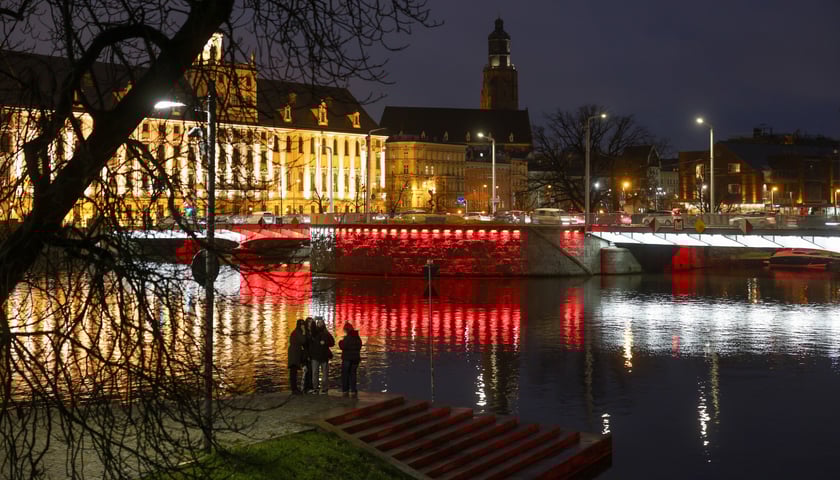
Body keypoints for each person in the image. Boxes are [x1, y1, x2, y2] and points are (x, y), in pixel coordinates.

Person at [309, 317, 335, 394]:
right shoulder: (315, 332)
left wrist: (325, 343)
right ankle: (316, 388)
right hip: (316, 356)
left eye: (321, 322)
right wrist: (314, 320)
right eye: (318, 322)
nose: (320, 324)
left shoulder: (326, 333)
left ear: (323, 324)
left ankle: (324, 388)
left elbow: (332, 343)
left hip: (323, 356)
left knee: (323, 374)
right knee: (316, 373)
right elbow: (312, 328)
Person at [339, 323, 363, 397]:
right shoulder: (357, 337)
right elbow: (360, 346)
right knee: (353, 374)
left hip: (347, 358)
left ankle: (345, 390)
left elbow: (343, 346)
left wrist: (340, 342)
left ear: (346, 330)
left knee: (345, 374)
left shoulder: (347, 338)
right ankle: (353, 390)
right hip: (355, 358)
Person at [287, 319, 305, 394]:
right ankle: (294, 389)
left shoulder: (295, 332)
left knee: (293, 372)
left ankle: (294, 388)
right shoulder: (298, 332)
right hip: (294, 353)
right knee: (293, 372)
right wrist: (304, 332)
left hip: (293, 353)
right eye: (302, 325)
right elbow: (303, 340)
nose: (303, 326)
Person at [302, 317, 315, 393]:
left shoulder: (312, 332)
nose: (310, 324)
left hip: (312, 353)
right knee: (308, 370)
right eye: (309, 322)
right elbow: (304, 343)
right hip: (307, 353)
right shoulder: (306, 332)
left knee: (311, 370)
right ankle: (307, 387)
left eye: (311, 322)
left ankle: (309, 386)